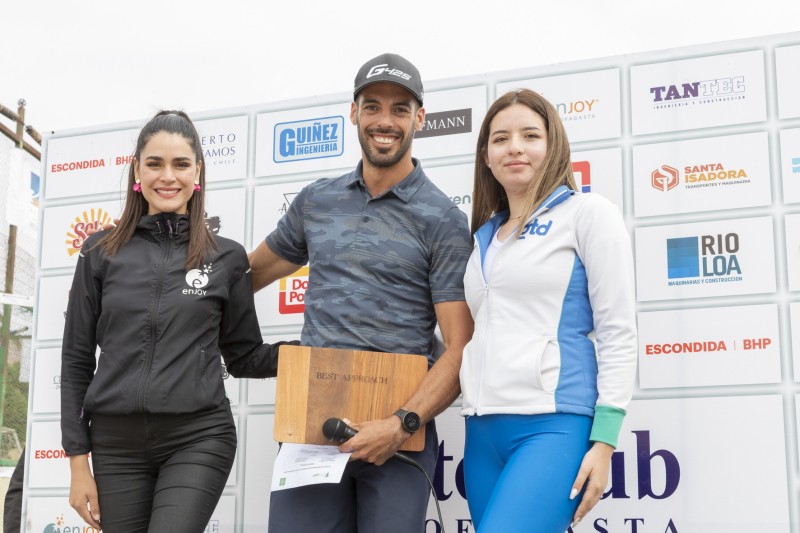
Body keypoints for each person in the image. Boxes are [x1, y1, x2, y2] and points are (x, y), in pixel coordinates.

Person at [247, 53, 474, 532]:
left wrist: (400, 424)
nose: (384, 121)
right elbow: (246, 277)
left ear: (420, 118)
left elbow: (460, 348)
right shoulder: (317, 200)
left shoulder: (443, 220)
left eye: (399, 109)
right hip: (311, 423)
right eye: (372, 106)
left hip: (399, 435)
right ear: (353, 113)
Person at [60, 111, 294, 533]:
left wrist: (312, 351)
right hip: (115, 446)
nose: (167, 176)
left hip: (198, 437)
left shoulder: (226, 257)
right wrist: (78, 464)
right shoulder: (99, 251)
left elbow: (244, 356)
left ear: (197, 171)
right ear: (137, 170)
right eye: (155, 163)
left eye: (181, 164)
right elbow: (76, 359)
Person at [459, 89, 637, 532]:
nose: (514, 147)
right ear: (486, 156)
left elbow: (617, 329)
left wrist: (605, 441)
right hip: (481, 433)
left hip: (553, 426)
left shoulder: (587, 213)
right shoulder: (483, 237)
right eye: (501, 139)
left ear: (552, 144)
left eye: (530, 135)